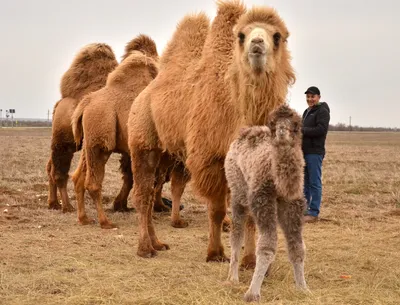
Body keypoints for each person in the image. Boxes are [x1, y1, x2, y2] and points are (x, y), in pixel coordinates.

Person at [302, 86, 330, 223]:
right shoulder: (307, 112)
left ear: (319, 97)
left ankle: (313, 213)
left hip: (314, 152)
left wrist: (302, 130)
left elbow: (321, 129)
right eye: (308, 97)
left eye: (312, 97)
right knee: (305, 182)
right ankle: (304, 210)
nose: (310, 99)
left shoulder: (322, 111)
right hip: (304, 152)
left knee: (314, 182)